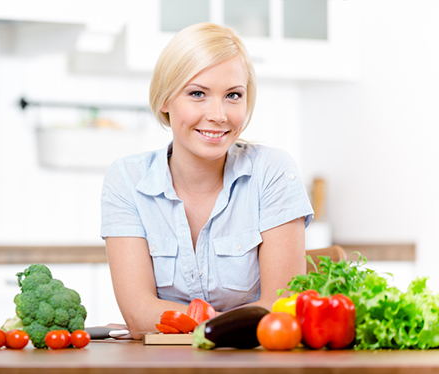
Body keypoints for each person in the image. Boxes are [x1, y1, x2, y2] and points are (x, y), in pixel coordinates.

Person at [100, 22, 313, 339]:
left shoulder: (273, 170)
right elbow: (137, 313)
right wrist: (229, 321)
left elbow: (280, 309)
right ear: (165, 100)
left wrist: (176, 322)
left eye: (233, 95)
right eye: (197, 93)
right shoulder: (127, 180)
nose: (219, 114)